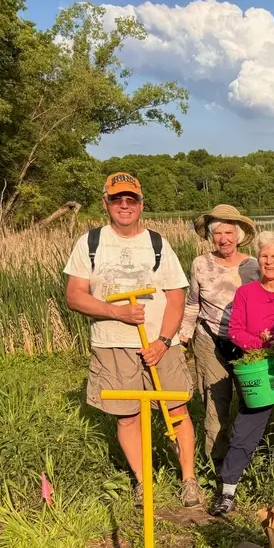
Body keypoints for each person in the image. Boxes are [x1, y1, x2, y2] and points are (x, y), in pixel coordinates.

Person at [64, 172, 203, 506]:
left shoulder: (157, 243)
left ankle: (189, 480)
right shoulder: (90, 243)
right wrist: (117, 313)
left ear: (141, 204)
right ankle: (144, 481)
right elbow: (74, 296)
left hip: (159, 345)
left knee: (176, 409)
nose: (124, 205)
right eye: (117, 199)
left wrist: (163, 341)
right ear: (106, 203)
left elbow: (176, 297)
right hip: (111, 344)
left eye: (131, 199)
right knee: (127, 416)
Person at [210, 230, 274, 515]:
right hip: (258, 375)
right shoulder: (245, 293)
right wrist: (264, 344)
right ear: (258, 258)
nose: (269, 261)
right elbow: (235, 331)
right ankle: (227, 490)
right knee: (245, 431)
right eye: (264, 256)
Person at [178, 204, 260, 467]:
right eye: (218, 233)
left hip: (246, 344)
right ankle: (216, 462)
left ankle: (247, 458)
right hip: (209, 340)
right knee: (215, 406)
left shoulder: (253, 265)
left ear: (238, 235)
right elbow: (192, 304)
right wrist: (182, 339)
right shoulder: (200, 264)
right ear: (211, 236)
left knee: (252, 401)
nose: (224, 239)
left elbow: (263, 304)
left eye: (228, 232)